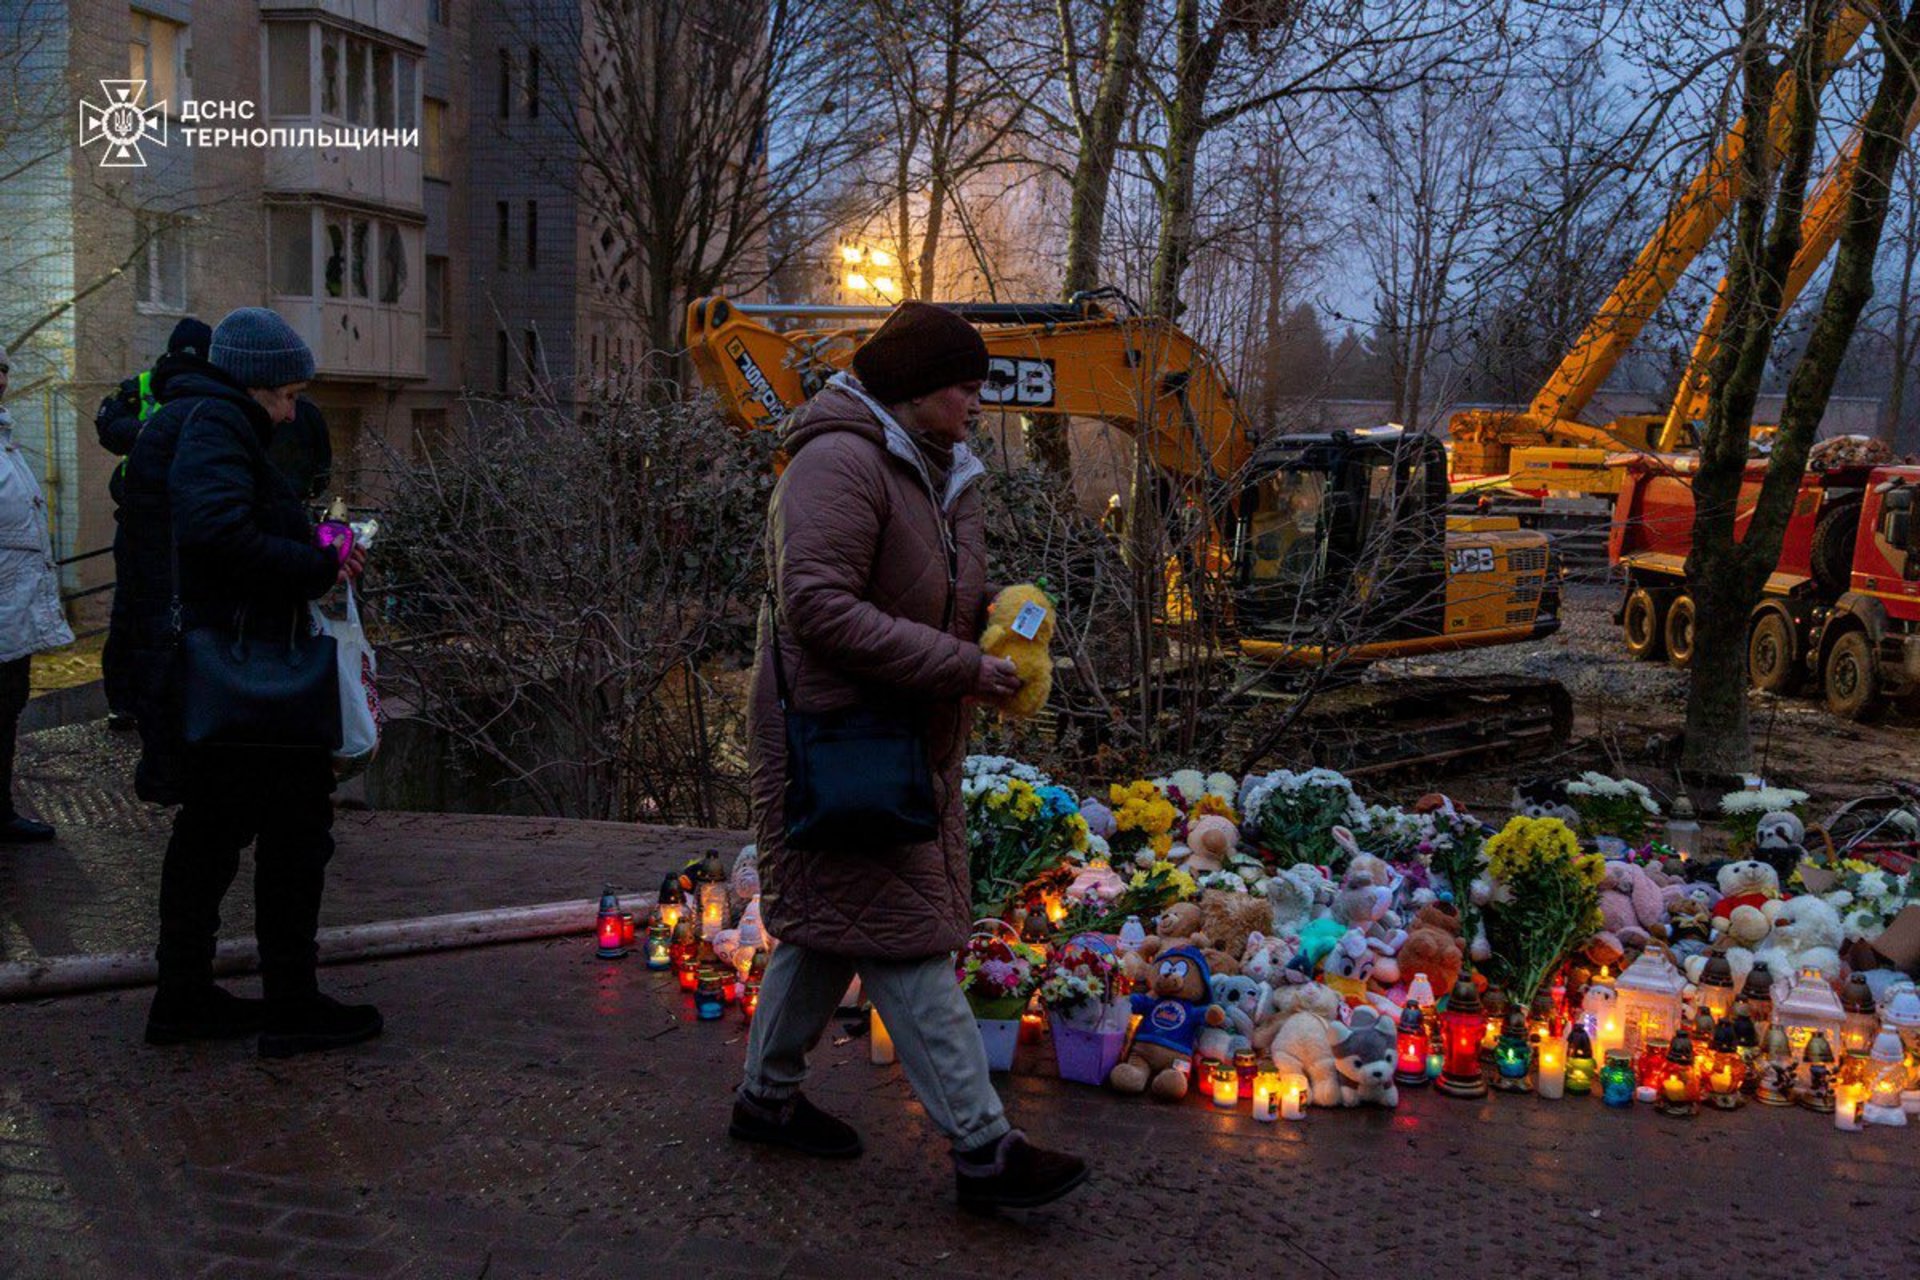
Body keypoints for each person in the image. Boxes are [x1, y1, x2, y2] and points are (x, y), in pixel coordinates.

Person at [732, 301, 1088, 1213]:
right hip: (837, 735)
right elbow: (817, 605)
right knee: (906, 937)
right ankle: (982, 1149)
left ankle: (765, 1103)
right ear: (919, 387)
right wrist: (963, 667)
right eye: (966, 386)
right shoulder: (840, 461)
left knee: (823, 926)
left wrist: (1001, 625)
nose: (977, 401)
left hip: (888, 732)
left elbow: (919, 599)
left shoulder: (933, 469)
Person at [129, 307, 378, 1057]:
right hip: (245, 675)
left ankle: (186, 997)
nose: (292, 410)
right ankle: (290, 1004)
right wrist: (315, 566)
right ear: (255, 383)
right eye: (287, 394)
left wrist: (309, 540)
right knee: (294, 833)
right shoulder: (216, 423)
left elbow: (224, 525)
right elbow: (218, 532)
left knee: (211, 833)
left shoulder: (196, 419)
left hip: (213, 670)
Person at [95, 317, 214, 730]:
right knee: (139, 610)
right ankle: (129, 700)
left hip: (164, 515)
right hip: (145, 515)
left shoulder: (204, 389)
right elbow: (108, 425)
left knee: (150, 610)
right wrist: (152, 433)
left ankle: (149, 698)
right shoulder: (144, 386)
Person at [0, 344, 75, 842]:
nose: (2, 380)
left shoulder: (7, 441)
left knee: (8, 705)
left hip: (12, 612)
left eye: (3, 369)